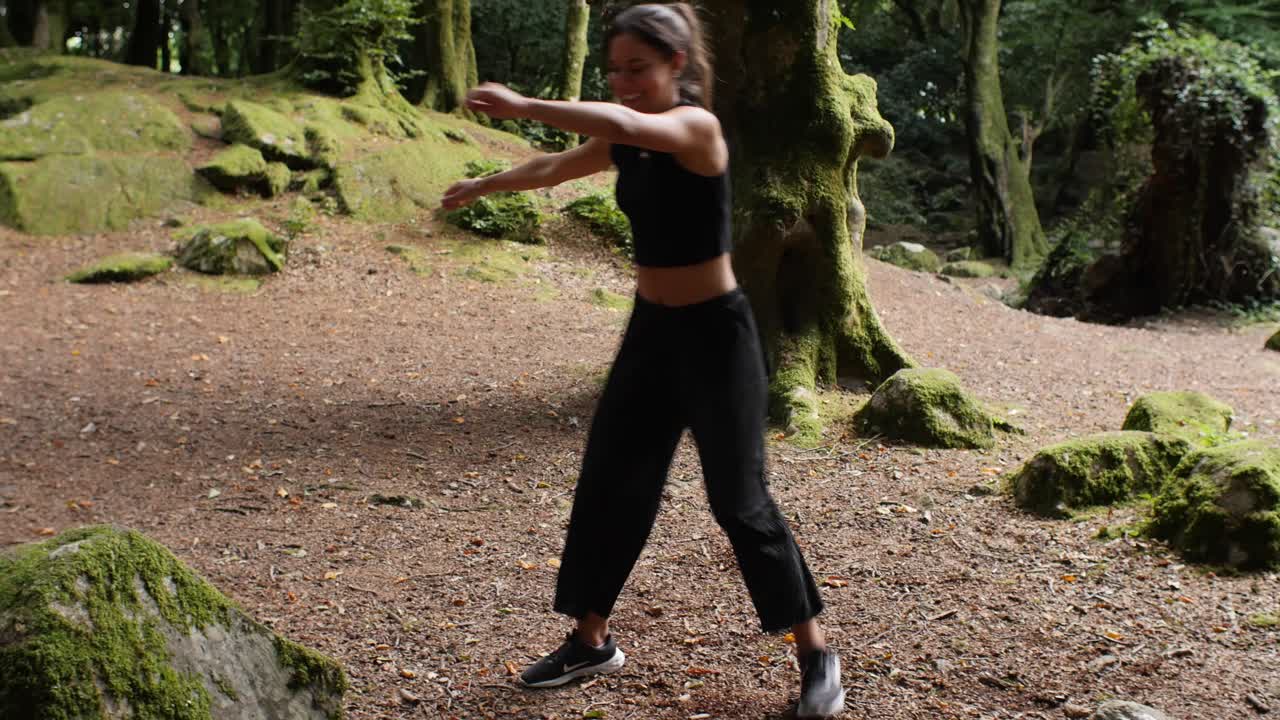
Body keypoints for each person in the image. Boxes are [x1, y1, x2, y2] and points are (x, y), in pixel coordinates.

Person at [441, 4, 844, 717]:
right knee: (611, 482)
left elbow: (624, 125)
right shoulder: (625, 139)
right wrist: (485, 184)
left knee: (740, 501)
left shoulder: (696, 129)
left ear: (676, 67)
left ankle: (817, 654)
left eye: (639, 68)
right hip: (651, 333)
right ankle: (591, 641)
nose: (625, 82)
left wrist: (524, 103)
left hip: (717, 338)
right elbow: (556, 167)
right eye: (615, 70)